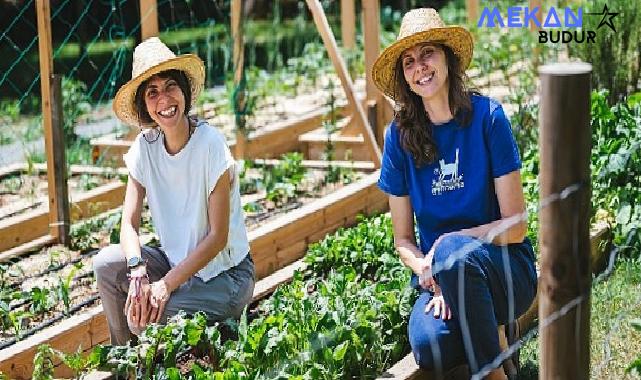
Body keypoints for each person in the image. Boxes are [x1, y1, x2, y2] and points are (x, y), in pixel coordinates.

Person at [372, 8, 537, 380]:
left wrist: (451, 250)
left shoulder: (488, 118)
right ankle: (494, 334)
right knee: (429, 344)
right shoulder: (398, 139)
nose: (420, 67)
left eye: (428, 53)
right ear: (404, 76)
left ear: (448, 56)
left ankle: (494, 376)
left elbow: (516, 227)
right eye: (409, 61)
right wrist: (432, 270)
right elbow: (402, 240)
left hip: (505, 268)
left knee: (451, 250)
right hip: (441, 277)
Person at [93, 37, 255, 345]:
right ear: (144, 105)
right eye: (152, 92)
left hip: (227, 277)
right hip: (176, 263)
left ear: (184, 91)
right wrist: (137, 269)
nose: (164, 99)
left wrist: (165, 286)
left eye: (170, 86)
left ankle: (150, 347)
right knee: (105, 266)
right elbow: (128, 224)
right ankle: (123, 358)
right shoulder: (145, 149)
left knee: (142, 322)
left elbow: (218, 237)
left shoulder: (210, 145)